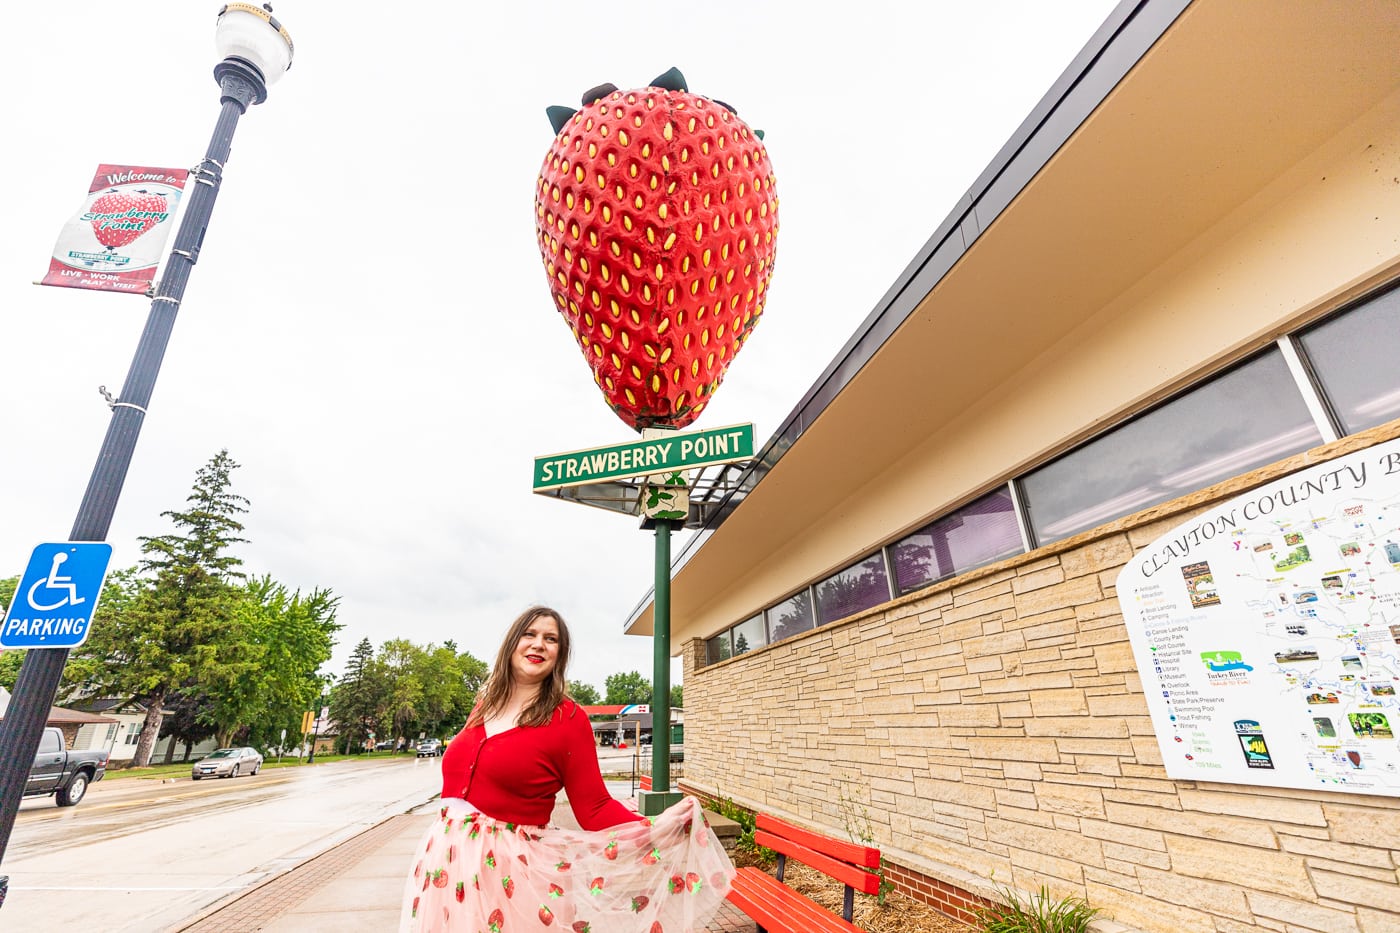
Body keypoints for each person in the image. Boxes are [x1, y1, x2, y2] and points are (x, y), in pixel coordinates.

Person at [400, 606, 733, 932]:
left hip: (512, 876)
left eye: (551, 639)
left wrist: (655, 826)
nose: (538, 644)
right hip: (447, 862)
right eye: (529, 634)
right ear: (511, 643)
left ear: (559, 655)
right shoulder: (485, 702)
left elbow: (595, 808)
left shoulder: (568, 718)